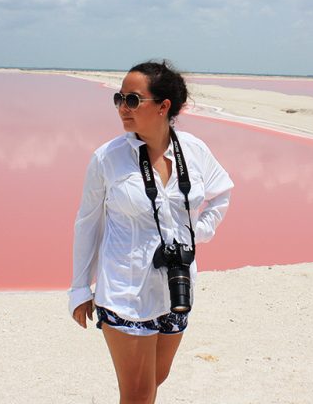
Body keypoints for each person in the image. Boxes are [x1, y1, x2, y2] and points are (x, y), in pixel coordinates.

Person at [68, 60, 234, 403]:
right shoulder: (108, 158)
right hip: (124, 290)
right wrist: (80, 288)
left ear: (163, 106)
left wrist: (197, 232)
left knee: (157, 379)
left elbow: (222, 192)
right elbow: (88, 223)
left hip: (176, 289)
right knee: (138, 394)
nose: (122, 109)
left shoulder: (194, 150)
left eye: (132, 100)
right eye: (119, 99)